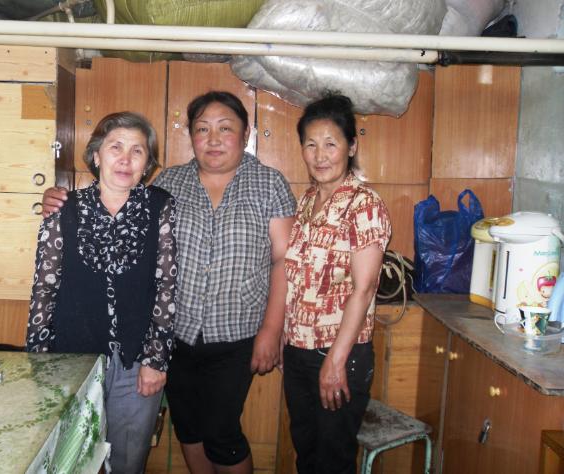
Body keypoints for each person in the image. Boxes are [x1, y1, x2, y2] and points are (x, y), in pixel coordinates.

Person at [41, 91, 297, 474]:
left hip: (238, 334)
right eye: (203, 129)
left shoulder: (269, 183)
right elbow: (114, 203)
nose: (213, 139)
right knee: (189, 429)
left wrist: (272, 330)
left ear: (245, 134)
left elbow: (283, 260)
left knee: (222, 433)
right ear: (191, 135)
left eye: (225, 129)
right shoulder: (170, 184)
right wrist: (59, 199)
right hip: (175, 336)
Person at [27, 112, 177, 474]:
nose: (125, 159)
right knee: (72, 459)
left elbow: (167, 286)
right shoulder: (64, 209)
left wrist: (156, 360)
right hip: (71, 358)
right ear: (96, 156)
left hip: (136, 363)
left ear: (147, 164)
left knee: (127, 460)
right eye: (115, 147)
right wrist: (38, 360)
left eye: (137, 151)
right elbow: (44, 287)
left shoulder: (160, 206)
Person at [282, 94, 391, 474]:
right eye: (311, 144)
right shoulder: (307, 200)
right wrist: (286, 339)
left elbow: (364, 288)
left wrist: (335, 360)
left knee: (333, 461)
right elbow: (297, 279)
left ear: (351, 147)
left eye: (331, 143)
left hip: (339, 352)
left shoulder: (364, 204)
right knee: (307, 454)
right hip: (298, 349)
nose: (320, 155)